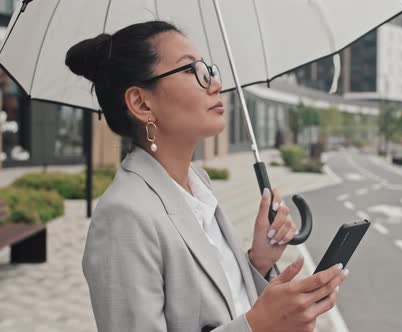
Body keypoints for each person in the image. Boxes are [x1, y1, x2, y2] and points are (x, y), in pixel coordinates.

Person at [65, 21, 348, 332]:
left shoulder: (197, 185)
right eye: (190, 71)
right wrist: (258, 326)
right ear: (141, 103)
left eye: (208, 69)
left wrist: (258, 262)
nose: (213, 83)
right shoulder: (123, 217)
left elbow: (225, 302)